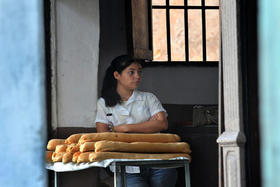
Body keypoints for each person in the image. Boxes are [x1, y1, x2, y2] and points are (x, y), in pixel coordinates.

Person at [95, 55, 177, 187]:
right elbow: (104, 138)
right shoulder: (103, 103)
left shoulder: (149, 98)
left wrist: (123, 129)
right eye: (131, 72)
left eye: (139, 72)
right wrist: (149, 125)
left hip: (159, 162)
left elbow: (162, 124)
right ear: (117, 75)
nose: (137, 76)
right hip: (126, 166)